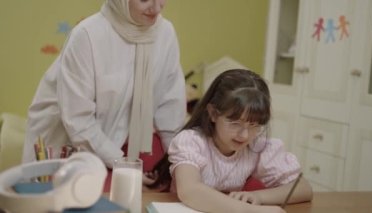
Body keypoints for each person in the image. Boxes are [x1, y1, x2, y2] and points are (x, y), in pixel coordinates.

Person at [22, 0, 186, 190]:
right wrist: (124, 166)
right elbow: (78, 121)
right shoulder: (87, 36)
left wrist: (178, 165)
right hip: (67, 146)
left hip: (116, 145)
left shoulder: (165, 33)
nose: (157, 7)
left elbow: (170, 107)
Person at [150, 69, 313, 212]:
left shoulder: (257, 146)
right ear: (213, 113)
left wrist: (258, 197)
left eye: (254, 125)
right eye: (235, 123)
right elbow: (190, 190)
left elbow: (303, 188)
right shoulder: (192, 142)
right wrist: (251, 211)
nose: (244, 135)